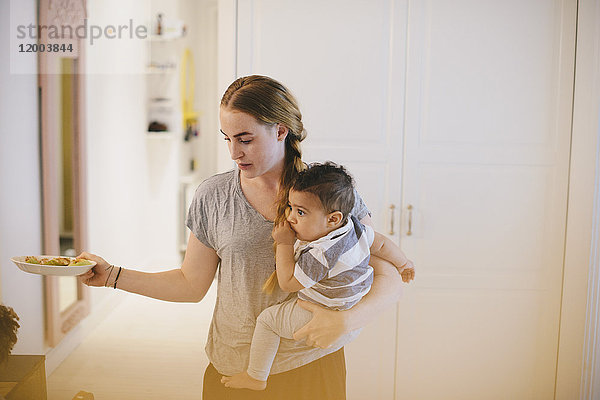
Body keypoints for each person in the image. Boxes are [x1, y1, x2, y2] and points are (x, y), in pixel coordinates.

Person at [78, 75, 414, 400]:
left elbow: (388, 274)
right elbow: (190, 284)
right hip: (234, 371)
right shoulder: (213, 196)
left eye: (245, 139)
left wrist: (347, 322)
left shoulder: (331, 194)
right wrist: (111, 276)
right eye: (227, 138)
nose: (234, 152)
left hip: (311, 365)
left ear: (280, 130)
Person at [221, 162, 414, 391]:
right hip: (352, 300)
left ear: (332, 219)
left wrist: (284, 243)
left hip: (324, 311)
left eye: (300, 212)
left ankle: (256, 376)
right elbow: (380, 243)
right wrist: (404, 263)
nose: (291, 217)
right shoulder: (353, 226)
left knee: (268, 321)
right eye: (291, 207)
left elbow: (289, 283)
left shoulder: (321, 254)